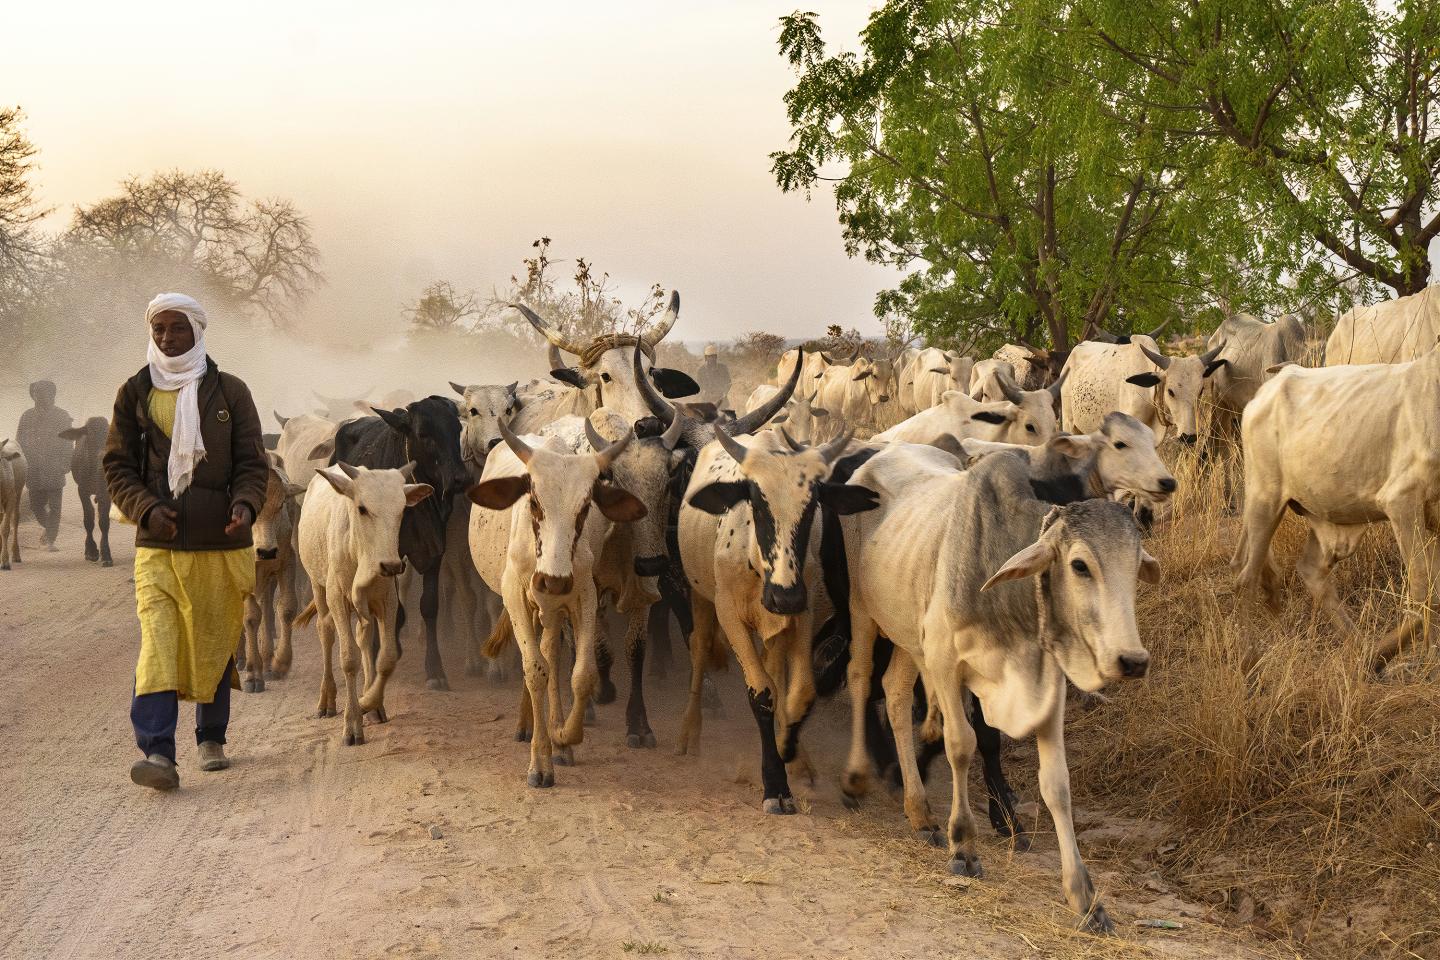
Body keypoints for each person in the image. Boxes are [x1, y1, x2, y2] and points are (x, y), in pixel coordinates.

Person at [103, 293, 268, 791]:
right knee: (158, 642)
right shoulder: (135, 392)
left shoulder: (230, 391)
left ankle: (211, 735)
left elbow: (251, 464)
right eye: (159, 330)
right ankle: (157, 751)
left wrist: (244, 505)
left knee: (214, 637)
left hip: (221, 542)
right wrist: (147, 508)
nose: (167, 338)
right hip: (159, 547)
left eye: (177, 329)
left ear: (197, 330)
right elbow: (117, 466)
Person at [15, 380, 73, 550]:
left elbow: (68, 442)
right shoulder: (26, 416)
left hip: (55, 467)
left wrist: (66, 463)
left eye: (43, 393)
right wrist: (21, 464)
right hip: (33, 468)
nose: (39, 397)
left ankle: (50, 540)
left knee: (55, 507)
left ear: (52, 395)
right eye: (36, 394)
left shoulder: (62, 416)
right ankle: (49, 530)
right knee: (36, 505)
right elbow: (19, 441)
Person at [694, 343, 732, 409]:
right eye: (709, 356)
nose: (712, 358)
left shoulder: (723, 368)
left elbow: (728, 382)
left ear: (716, 357)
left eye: (713, 356)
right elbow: (699, 386)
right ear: (706, 357)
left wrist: (724, 393)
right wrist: (704, 393)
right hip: (706, 400)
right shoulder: (701, 370)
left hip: (721, 400)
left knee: (726, 417)